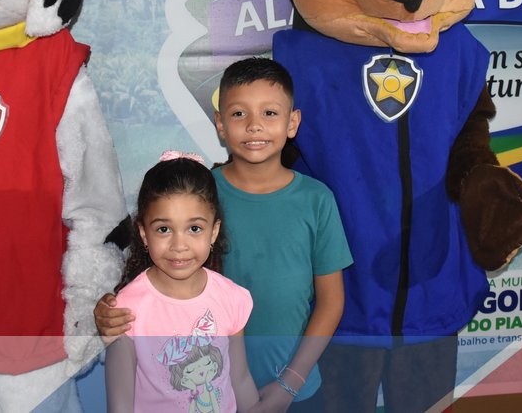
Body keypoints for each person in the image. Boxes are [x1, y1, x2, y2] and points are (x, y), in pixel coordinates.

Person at [100, 58, 352, 412]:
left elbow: (331, 302)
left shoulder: (317, 200)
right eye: (238, 114)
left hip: (297, 388)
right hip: (205, 390)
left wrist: (291, 383)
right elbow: (149, 278)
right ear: (220, 124)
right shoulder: (197, 196)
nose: (254, 125)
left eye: (269, 113)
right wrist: (109, 312)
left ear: (292, 122)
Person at [104, 152, 259, 413]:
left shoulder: (232, 298)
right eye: (164, 229)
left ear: (214, 232)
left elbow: (240, 379)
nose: (179, 245)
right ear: (144, 233)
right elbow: (120, 405)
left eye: (194, 229)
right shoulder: (127, 309)